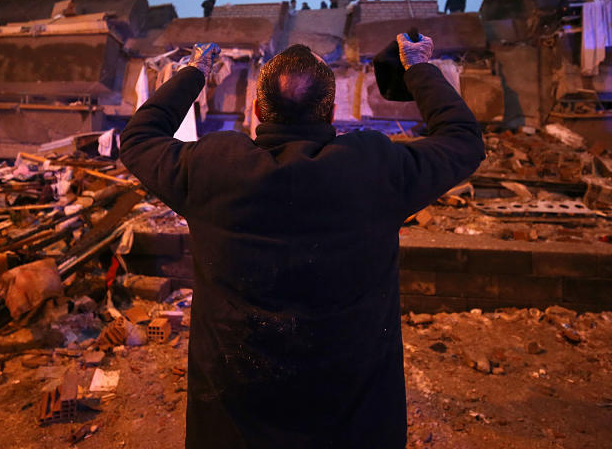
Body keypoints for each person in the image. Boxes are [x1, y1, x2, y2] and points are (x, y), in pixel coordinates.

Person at [119, 36, 484, 448]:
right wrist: (417, 65)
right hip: (355, 424)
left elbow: (138, 138)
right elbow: (463, 140)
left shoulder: (213, 167)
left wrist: (195, 71)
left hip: (233, 424)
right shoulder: (373, 168)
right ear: (330, 111)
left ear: (257, 111)